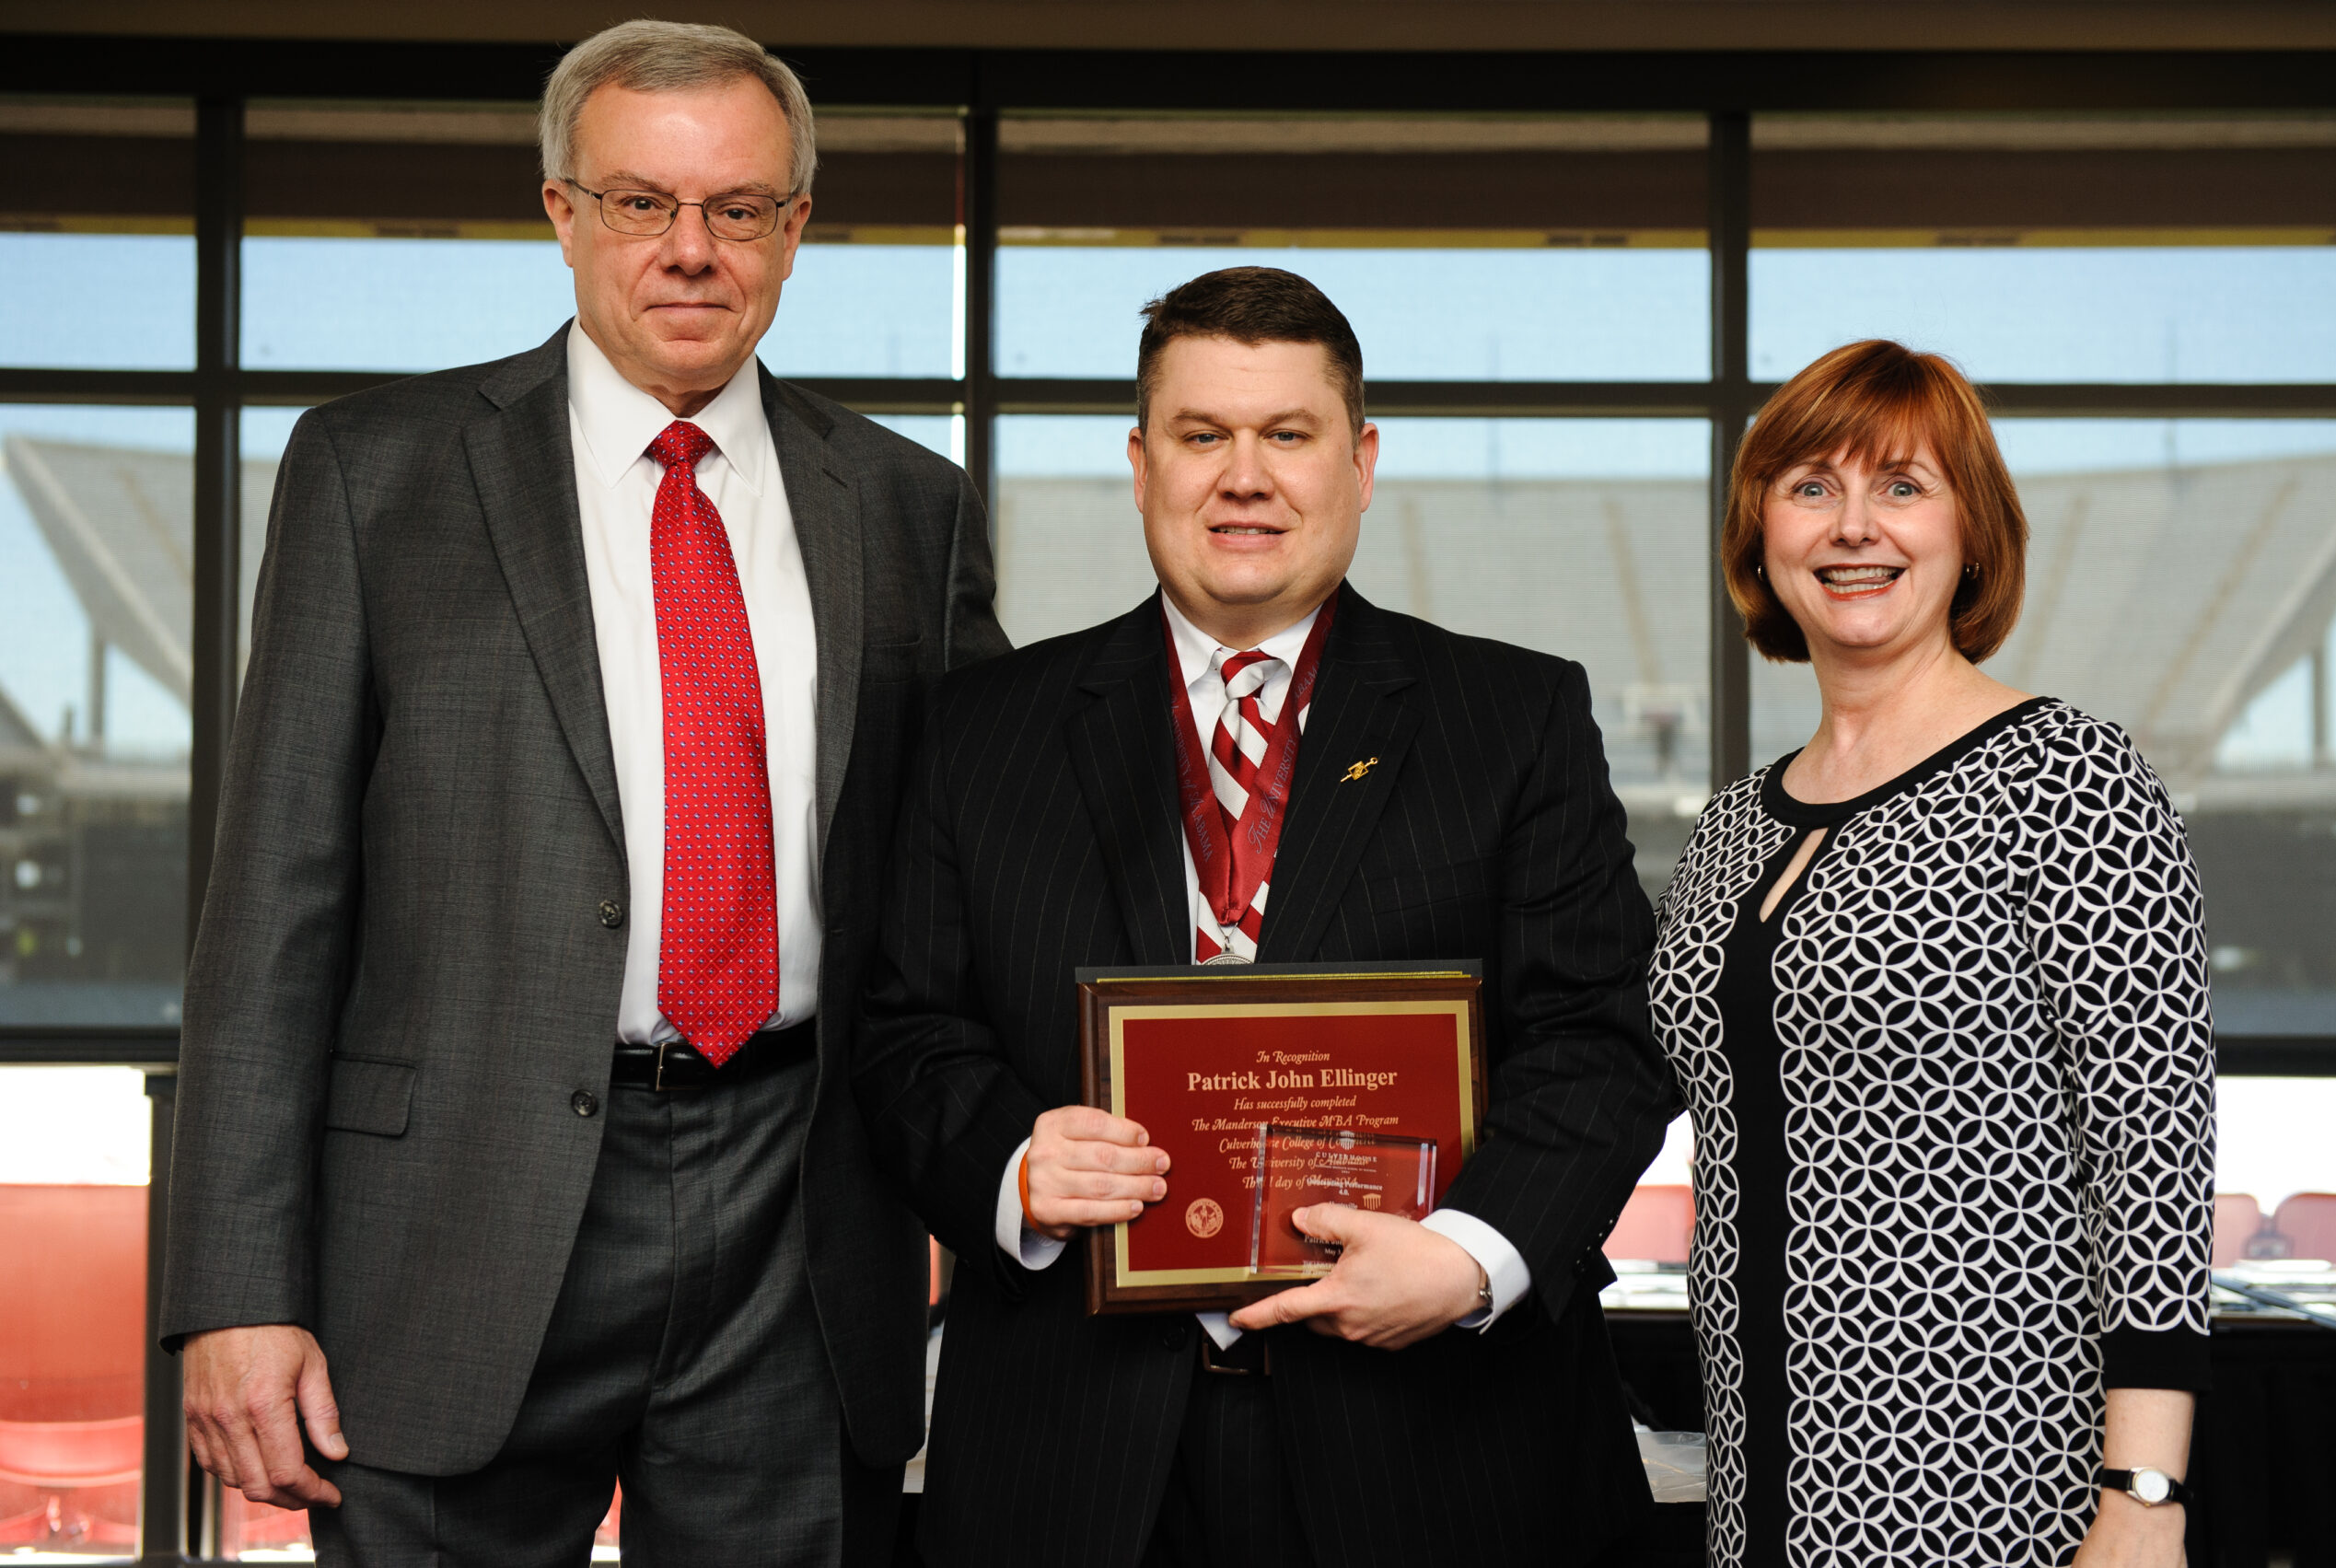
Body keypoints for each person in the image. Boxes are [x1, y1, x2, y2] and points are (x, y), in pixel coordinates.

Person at [159, 19, 1006, 1565]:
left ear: (796, 229)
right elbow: (275, 906)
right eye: (639, 203)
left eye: (739, 209)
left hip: (798, 1210)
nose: (692, 249)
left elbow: (986, 861)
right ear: (561, 211)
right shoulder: (374, 474)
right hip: (451, 1224)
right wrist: (234, 1289)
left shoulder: (906, 506)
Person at [854, 266, 1680, 1568]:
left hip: (1439, 1446)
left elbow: (1600, 1037)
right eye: (1203, 436)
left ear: (1359, 462)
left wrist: (1470, 1257)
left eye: (1287, 435)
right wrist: (1010, 1160)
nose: (1246, 477)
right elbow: (905, 1032)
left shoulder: (1511, 721)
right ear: (1141, 465)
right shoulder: (982, 734)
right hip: (1076, 1454)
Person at [1650, 339, 2213, 1567]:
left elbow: (2153, 1147)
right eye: (1810, 486)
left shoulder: (2069, 777)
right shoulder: (1729, 828)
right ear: (1761, 534)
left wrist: (2147, 1493)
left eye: (1902, 486)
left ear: (1972, 530)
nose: (1855, 527)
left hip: (2001, 1479)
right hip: (1766, 1478)